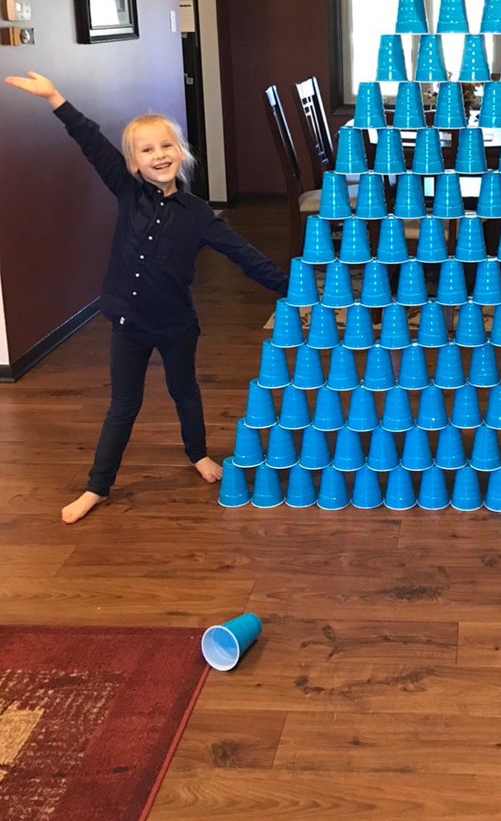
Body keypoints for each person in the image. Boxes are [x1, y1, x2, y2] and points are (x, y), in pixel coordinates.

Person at [5, 71, 289, 524]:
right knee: (124, 404)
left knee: (184, 391)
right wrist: (56, 97)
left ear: (182, 152)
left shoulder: (199, 215)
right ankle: (97, 486)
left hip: (176, 324)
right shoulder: (126, 189)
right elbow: (90, 140)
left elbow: (245, 256)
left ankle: (197, 454)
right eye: (147, 149)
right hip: (126, 321)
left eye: (167, 146)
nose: (159, 155)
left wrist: (295, 292)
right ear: (134, 163)